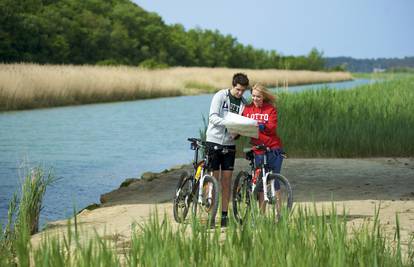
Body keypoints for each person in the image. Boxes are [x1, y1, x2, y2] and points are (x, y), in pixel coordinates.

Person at [206, 72, 249, 227]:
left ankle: (224, 216)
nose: (240, 93)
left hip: (230, 145)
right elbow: (212, 117)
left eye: (243, 90)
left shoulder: (244, 102)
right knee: (213, 180)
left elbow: (242, 124)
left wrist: (238, 132)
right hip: (214, 141)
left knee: (227, 182)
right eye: (238, 89)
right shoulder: (220, 96)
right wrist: (229, 123)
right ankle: (210, 215)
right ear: (233, 85)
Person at [242, 83, 284, 212]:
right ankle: (261, 215)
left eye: (258, 96)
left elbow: (272, 128)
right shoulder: (248, 110)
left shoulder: (270, 109)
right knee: (261, 183)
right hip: (258, 150)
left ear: (264, 96)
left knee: (274, 181)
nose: (255, 99)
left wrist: (262, 126)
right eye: (253, 96)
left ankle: (279, 215)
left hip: (273, 148)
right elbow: (242, 124)